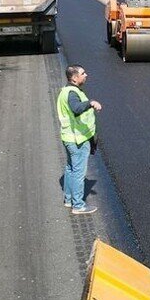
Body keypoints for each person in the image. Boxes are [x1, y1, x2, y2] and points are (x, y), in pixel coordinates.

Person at [57, 64, 102, 214]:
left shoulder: (66, 90)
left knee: (70, 169)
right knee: (78, 172)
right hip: (78, 139)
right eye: (83, 73)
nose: (86, 75)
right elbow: (76, 109)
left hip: (69, 136)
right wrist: (90, 103)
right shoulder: (72, 94)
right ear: (75, 78)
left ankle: (69, 200)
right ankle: (78, 205)